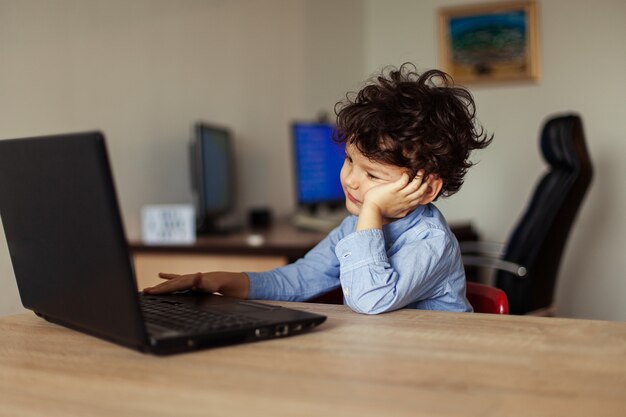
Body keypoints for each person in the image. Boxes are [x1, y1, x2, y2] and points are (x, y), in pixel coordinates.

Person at [144, 63, 492, 314]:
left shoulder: (431, 242)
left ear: (427, 188)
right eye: (350, 161)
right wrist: (218, 280)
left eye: (372, 175)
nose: (351, 179)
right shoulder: (351, 230)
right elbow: (301, 278)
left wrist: (369, 212)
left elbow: (370, 300)